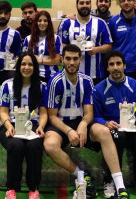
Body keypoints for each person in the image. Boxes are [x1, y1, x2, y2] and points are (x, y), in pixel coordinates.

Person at [44, 44, 129, 199]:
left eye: (75, 59)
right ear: (62, 60)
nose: (71, 62)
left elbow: (89, 112)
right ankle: (81, 173)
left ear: (80, 59)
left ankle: (120, 186)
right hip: (61, 125)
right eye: (68, 58)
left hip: (81, 122)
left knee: (104, 131)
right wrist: (69, 131)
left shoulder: (87, 81)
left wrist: (83, 125)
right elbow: (52, 117)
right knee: (49, 145)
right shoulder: (54, 82)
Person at [93, 50, 136, 199]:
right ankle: (110, 181)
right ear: (107, 68)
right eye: (111, 64)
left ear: (124, 65)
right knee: (116, 138)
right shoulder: (99, 89)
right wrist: (105, 123)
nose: (115, 67)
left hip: (133, 127)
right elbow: (95, 115)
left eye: (118, 63)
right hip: (113, 129)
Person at [0, 52, 47, 199]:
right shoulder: (7, 85)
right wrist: (8, 126)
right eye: (23, 64)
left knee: (33, 147)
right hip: (11, 124)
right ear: (18, 66)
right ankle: (12, 188)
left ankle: (33, 189)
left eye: (30, 64)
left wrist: (41, 127)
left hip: (33, 125)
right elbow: (3, 112)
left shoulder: (41, 86)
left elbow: (44, 114)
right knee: (16, 146)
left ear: (35, 67)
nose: (27, 67)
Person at [57, 0, 112, 85]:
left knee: (94, 99)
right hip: (72, 73)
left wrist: (96, 49)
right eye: (81, 3)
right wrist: (72, 52)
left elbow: (109, 46)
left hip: (96, 74)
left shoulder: (100, 23)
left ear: (91, 5)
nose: (85, 5)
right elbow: (61, 45)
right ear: (76, 5)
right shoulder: (67, 23)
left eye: (87, 3)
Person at [23, 10, 62, 83]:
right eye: (40, 21)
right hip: (33, 76)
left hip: (52, 77)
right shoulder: (28, 39)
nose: (42, 23)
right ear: (36, 23)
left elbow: (57, 61)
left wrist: (40, 61)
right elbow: (24, 59)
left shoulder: (56, 38)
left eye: (45, 21)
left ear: (49, 23)